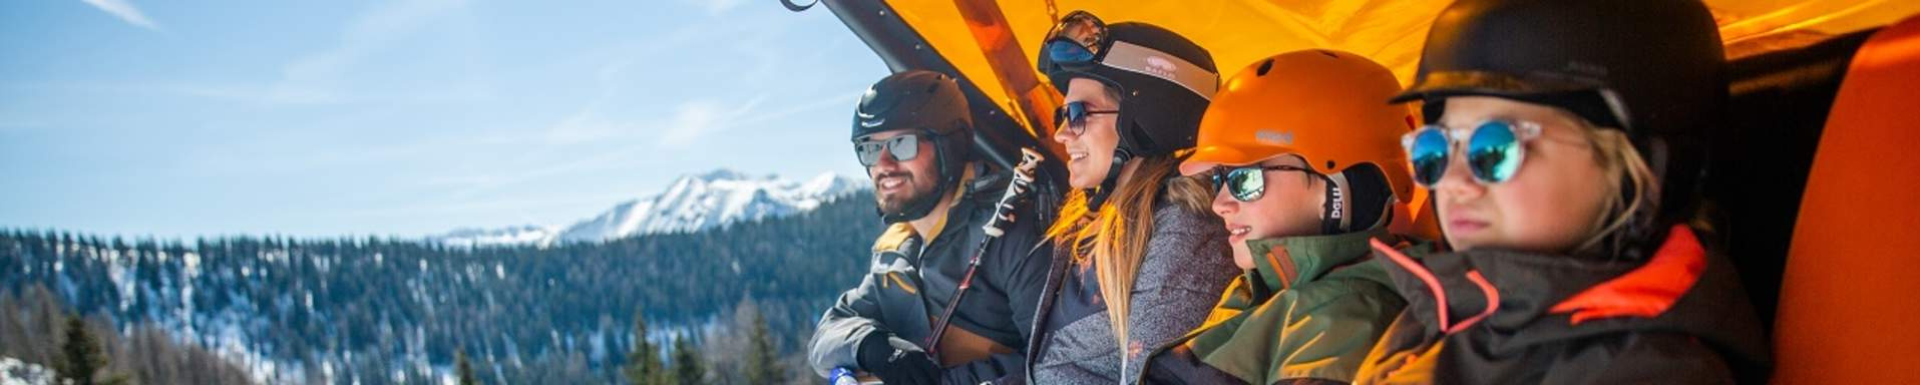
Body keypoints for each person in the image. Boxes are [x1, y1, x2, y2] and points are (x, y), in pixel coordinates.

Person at [1352, 0, 1771, 383]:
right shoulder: (1437, 310)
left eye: (1493, 147)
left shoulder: (1650, 370)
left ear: (1632, 167)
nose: (1454, 182)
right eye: (1435, 150)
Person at [1137, 50, 1433, 384]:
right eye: (1219, 179)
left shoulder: (1344, 318)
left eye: (1245, 179)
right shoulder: (1263, 286)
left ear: (1336, 185)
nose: (1220, 203)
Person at [1021, 11, 1240, 384]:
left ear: (1146, 118)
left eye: (1076, 114)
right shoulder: (1096, 225)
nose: (1061, 133)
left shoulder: (1187, 231)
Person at [808, 70, 1053, 385]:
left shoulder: (1014, 230)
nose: (883, 164)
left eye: (901, 144)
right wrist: (870, 345)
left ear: (949, 145)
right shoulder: (896, 250)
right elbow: (826, 336)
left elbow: (1061, 361)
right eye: (869, 148)